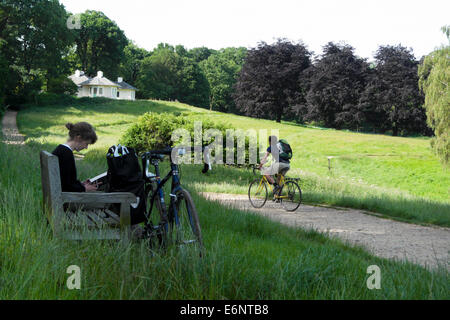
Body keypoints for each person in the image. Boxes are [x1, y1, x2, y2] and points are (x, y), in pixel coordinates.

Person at [52, 122, 98, 192]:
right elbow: (66, 186)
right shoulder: (66, 154)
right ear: (78, 138)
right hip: (64, 196)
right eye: (86, 143)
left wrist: (80, 184)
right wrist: (84, 188)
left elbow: (66, 180)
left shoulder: (61, 150)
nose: (86, 147)